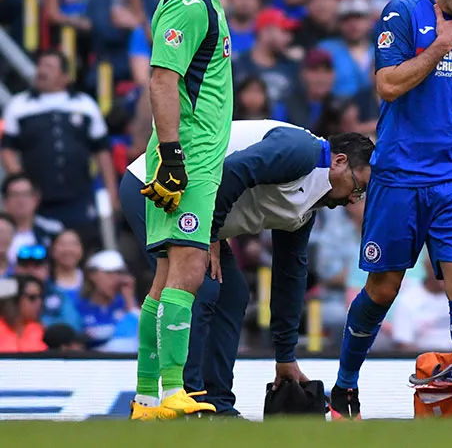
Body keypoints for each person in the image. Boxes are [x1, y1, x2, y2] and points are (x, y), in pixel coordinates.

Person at [331, 0, 452, 419]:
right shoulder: (402, 14)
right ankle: (344, 387)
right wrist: (441, 46)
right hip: (400, 176)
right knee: (383, 288)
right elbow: (387, 84)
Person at [122, 120, 373, 417]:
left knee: (233, 295)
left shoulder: (308, 208)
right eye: (359, 187)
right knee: (202, 284)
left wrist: (285, 356)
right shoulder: (302, 151)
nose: (353, 200)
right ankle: (187, 400)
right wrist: (209, 235)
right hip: (156, 186)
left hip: (197, 208)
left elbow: (289, 276)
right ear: (340, 161)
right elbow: (232, 170)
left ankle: (217, 404)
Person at [132, 0, 264, 420]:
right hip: (189, 159)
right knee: (187, 272)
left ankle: (147, 397)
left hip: (189, 156)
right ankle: (171, 393)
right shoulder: (191, 3)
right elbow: (162, 78)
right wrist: (171, 156)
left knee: (165, 278)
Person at [0, 51, 117, 249]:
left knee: (84, 246)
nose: (42, 71)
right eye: (40, 66)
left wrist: (112, 192)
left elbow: (102, 152)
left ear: (66, 76)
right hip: (38, 199)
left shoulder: (86, 104)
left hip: (79, 196)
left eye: (50, 67)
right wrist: (21, 185)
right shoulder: (19, 105)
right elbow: (8, 149)